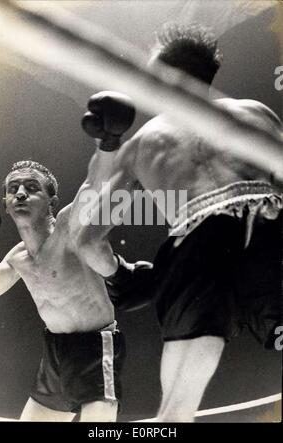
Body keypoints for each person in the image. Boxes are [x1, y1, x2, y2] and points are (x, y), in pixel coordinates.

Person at [79, 24, 283, 422]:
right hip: (270, 226)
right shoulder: (256, 113)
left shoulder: (141, 143)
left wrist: (124, 279)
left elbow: (88, 238)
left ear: (164, 77)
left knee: (174, 413)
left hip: (197, 241)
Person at [0, 91, 138, 422]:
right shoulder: (17, 259)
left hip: (96, 348)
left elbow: (97, 183)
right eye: (13, 189)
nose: (21, 192)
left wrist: (108, 141)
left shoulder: (69, 227)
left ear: (51, 200)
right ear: (7, 203)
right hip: (55, 351)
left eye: (31, 186)